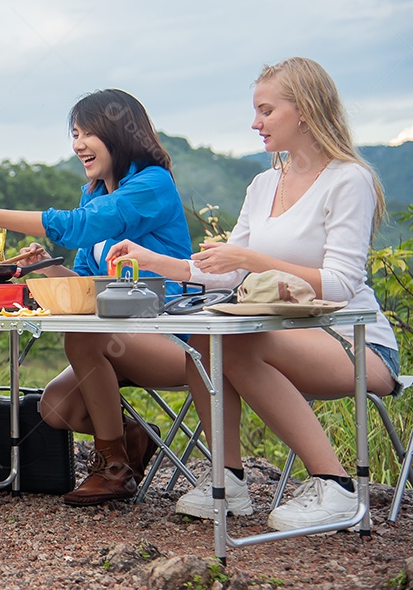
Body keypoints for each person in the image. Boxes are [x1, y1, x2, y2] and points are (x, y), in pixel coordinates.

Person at [107, 57, 400, 531]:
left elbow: (341, 283)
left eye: (266, 110)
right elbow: (227, 274)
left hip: (356, 343)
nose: (255, 122)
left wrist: (250, 259)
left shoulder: (349, 179)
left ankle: (337, 487)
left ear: (304, 110)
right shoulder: (263, 184)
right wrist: (155, 260)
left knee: (235, 343)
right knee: (204, 341)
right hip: (288, 336)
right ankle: (228, 481)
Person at [0, 88, 193, 505]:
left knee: (83, 337)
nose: (78, 145)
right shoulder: (95, 193)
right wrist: (47, 267)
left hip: (173, 339)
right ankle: (132, 439)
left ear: (120, 134)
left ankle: (113, 469)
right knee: (54, 408)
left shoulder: (152, 184)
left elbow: (79, 226)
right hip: (117, 341)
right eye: (74, 134)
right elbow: (85, 283)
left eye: (88, 133)